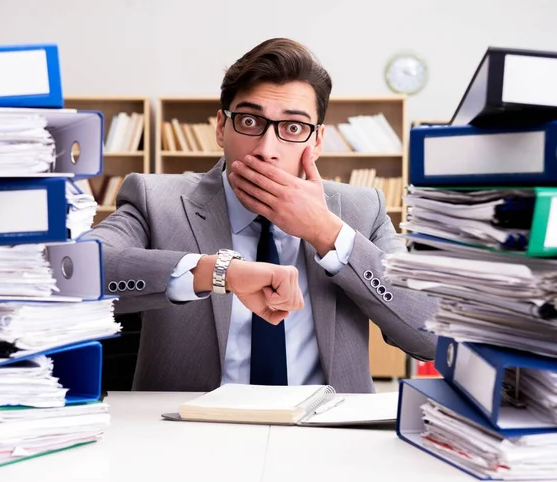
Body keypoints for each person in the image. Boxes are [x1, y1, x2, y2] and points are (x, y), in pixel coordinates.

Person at [82, 37, 438, 393]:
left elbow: (431, 335)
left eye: (293, 128)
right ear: (221, 127)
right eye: (250, 121)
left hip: (329, 432)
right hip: (191, 433)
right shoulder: (156, 199)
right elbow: (76, 272)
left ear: (316, 141)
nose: (267, 150)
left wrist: (327, 233)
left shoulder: (362, 209)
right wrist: (220, 272)